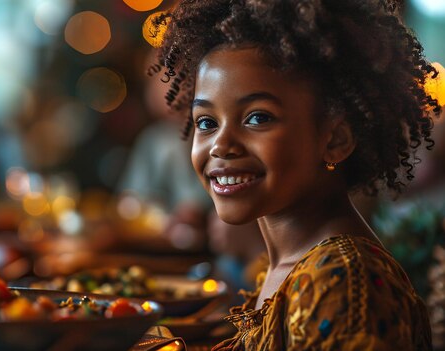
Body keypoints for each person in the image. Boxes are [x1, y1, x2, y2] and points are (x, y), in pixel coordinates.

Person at [150, 0, 441, 350]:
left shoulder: (344, 281)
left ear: (336, 138)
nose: (220, 145)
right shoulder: (287, 268)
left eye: (258, 117)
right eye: (207, 123)